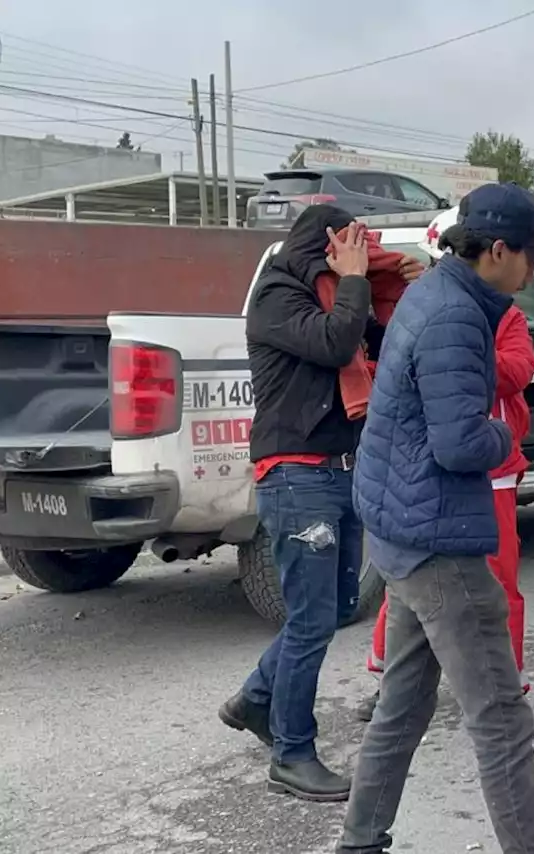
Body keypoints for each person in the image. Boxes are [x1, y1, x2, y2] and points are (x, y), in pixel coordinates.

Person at [337, 183, 534, 854]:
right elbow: (461, 442)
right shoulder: (460, 317)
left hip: (401, 525)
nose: (531, 274)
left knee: (402, 708)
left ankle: (359, 841)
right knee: (501, 722)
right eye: (528, 259)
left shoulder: (432, 293)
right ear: (497, 251)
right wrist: (509, 439)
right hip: (438, 540)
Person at [217, 205, 420, 802]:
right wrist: (357, 279)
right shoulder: (280, 298)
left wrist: (392, 284)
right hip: (296, 474)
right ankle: (291, 754)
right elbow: (336, 345)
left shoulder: (336, 296)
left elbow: (377, 344)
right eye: (350, 247)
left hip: (340, 469)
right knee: (310, 620)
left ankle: (257, 698)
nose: (360, 255)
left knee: (336, 606)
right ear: (320, 248)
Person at [357, 254, 534, 726]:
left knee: (499, 583)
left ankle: (509, 690)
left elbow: (519, 368)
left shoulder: (506, 316)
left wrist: (463, 353)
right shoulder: (431, 306)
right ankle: (387, 682)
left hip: (493, 471)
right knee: (408, 580)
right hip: (429, 471)